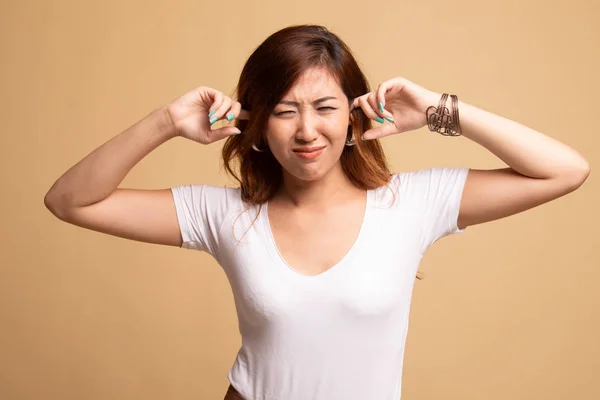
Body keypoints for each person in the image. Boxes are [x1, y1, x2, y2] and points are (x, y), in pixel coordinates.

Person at [44, 24, 590, 400]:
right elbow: (69, 201)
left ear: (353, 118)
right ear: (258, 124)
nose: (307, 131)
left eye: (325, 108)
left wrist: (436, 109)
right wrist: (166, 121)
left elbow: (565, 170)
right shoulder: (227, 214)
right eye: (285, 111)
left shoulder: (412, 204)